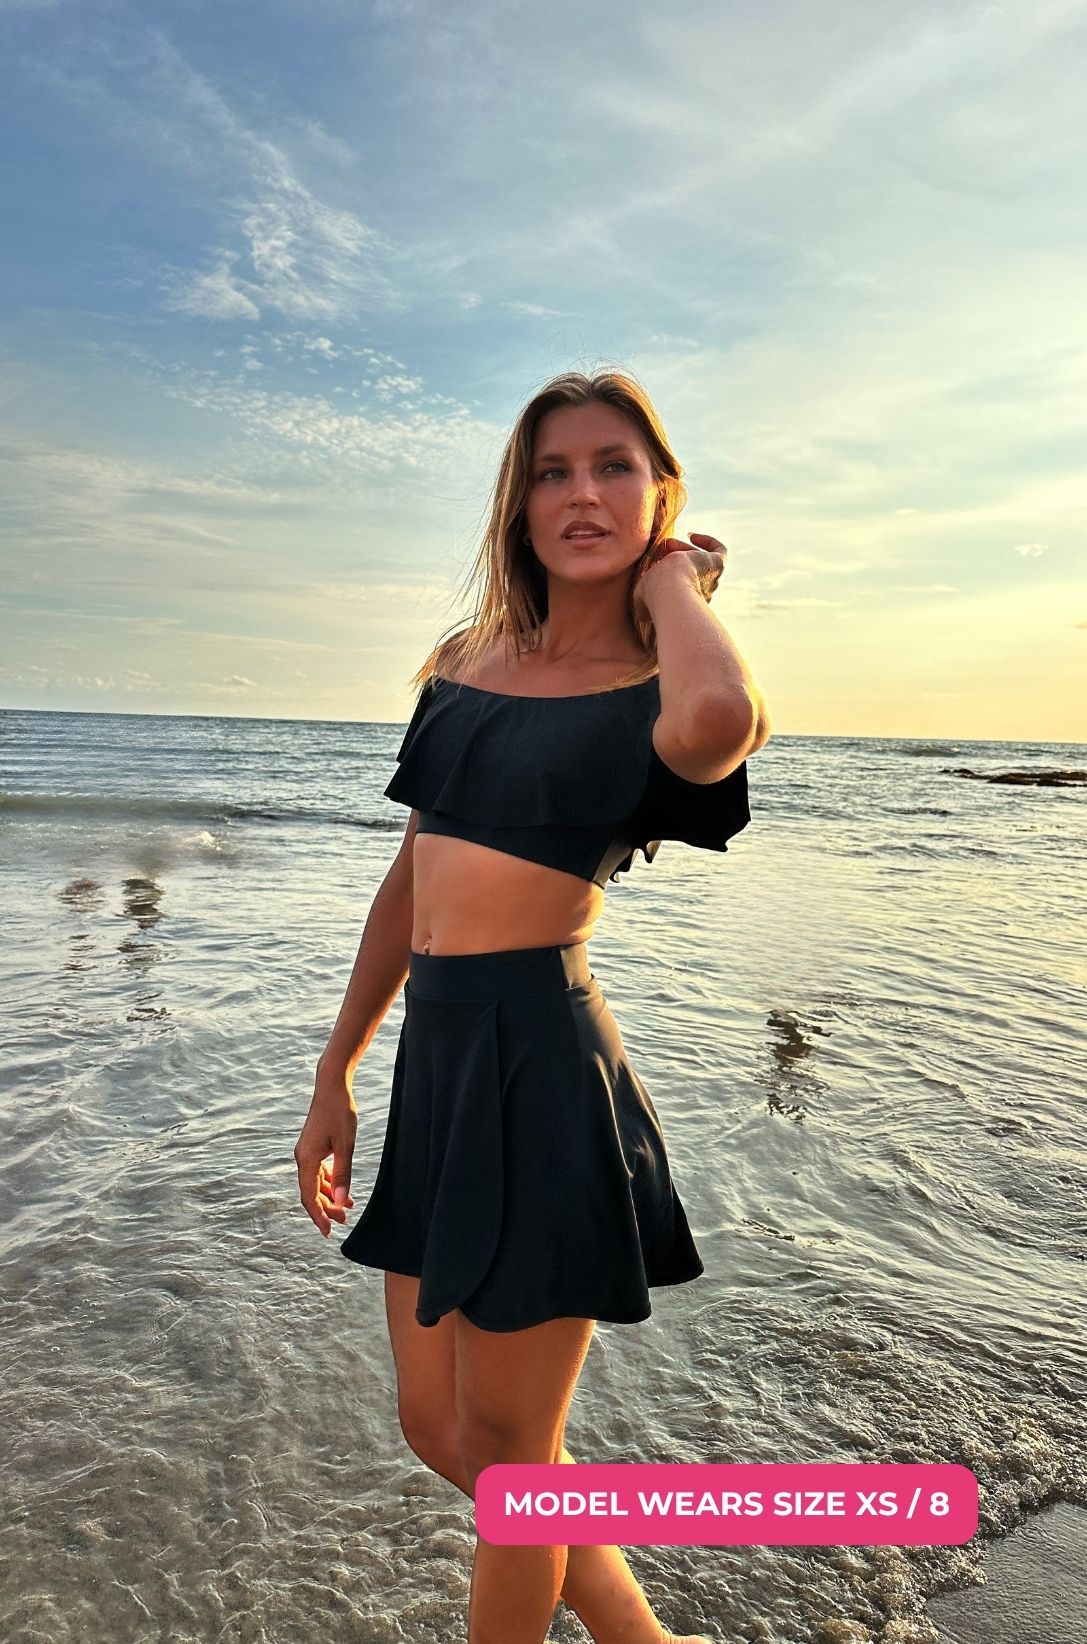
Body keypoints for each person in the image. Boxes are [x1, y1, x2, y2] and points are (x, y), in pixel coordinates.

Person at [294, 368, 771, 1644]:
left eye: (615, 466)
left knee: (515, 1450)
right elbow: (411, 881)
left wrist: (675, 586)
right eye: (553, 472)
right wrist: (337, 1071)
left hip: (540, 1066)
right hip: (436, 1064)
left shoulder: (654, 687)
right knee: (440, 1428)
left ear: (660, 491)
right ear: (516, 503)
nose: (581, 494)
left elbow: (723, 718)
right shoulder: (463, 664)